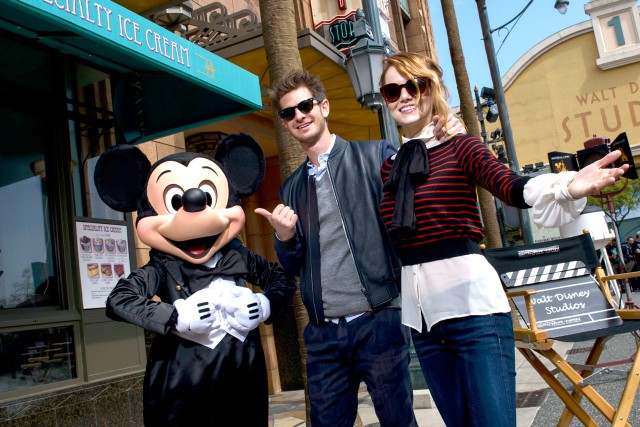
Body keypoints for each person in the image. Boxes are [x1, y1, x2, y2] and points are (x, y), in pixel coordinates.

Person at [377, 52, 629, 427]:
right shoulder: (390, 166)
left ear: (433, 89)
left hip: (474, 314)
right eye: (391, 89)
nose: (404, 96)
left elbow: (508, 185)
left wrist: (565, 185)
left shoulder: (460, 145)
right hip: (422, 322)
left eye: (415, 84)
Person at [254, 69, 464, 427]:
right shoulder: (291, 188)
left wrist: (441, 137)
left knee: (398, 421)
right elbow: (294, 264)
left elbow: (419, 184)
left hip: (378, 318)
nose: (298, 116)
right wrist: (284, 239)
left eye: (305, 105)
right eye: (288, 113)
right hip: (323, 333)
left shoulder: (374, 156)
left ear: (324, 107)